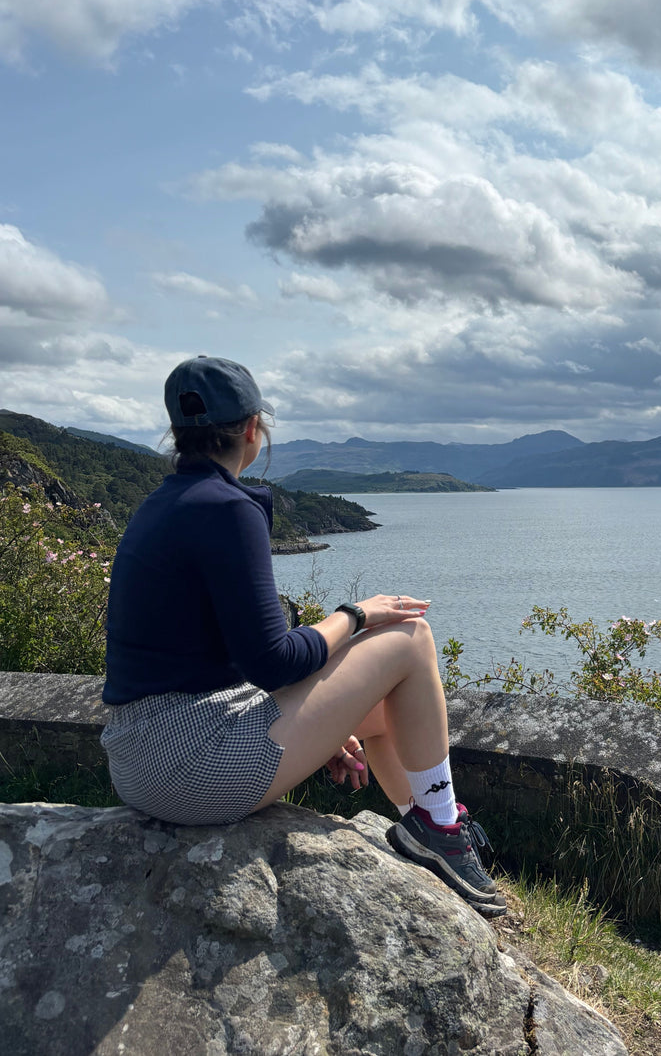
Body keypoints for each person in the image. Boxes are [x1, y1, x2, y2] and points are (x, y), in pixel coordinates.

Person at [100, 355, 504, 916]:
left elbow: (214, 658)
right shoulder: (225, 509)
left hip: (142, 757)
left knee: (392, 713)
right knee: (410, 635)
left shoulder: (164, 503)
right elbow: (273, 660)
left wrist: (322, 722)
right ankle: (441, 823)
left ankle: (429, 834)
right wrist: (356, 615)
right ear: (251, 429)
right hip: (188, 766)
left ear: (179, 435)